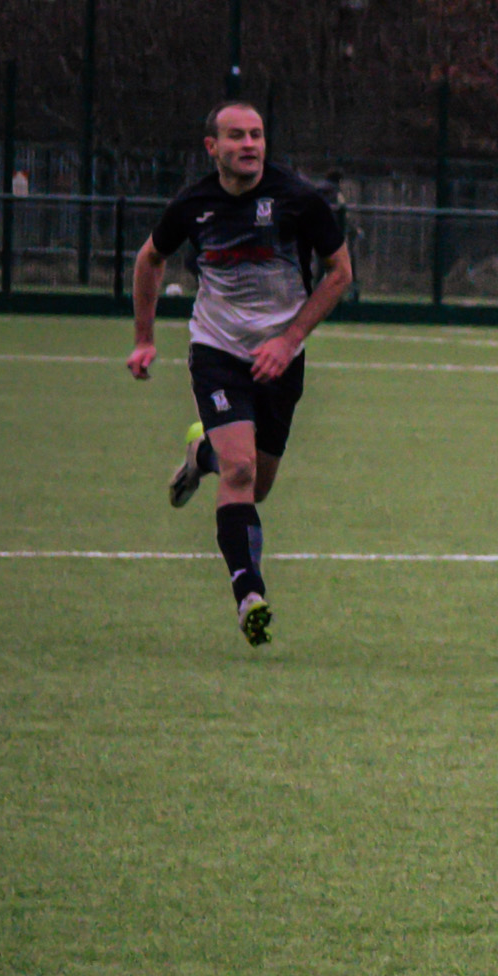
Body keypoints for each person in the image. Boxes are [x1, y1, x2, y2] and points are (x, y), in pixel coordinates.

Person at [127, 99, 352, 647]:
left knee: (258, 486)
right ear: (213, 147)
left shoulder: (299, 199)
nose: (249, 144)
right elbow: (149, 259)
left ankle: (201, 455)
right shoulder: (194, 204)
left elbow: (340, 272)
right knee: (242, 471)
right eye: (236, 136)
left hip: (282, 358)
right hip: (218, 352)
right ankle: (249, 594)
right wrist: (144, 339)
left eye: (256, 134)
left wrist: (289, 340)